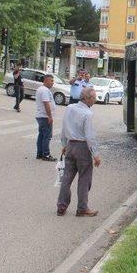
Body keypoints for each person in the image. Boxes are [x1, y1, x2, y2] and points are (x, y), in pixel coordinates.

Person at [57, 87, 102, 217]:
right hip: (82, 148)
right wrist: (96, 155)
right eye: (94, 97)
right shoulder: (88, 114)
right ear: (87, 99)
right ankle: (82, 208)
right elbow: (89, 137)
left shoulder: (70, 108)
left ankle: (61, 206)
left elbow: (64, 127)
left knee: (66, 178)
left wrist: (64, 144)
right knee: (84, 178)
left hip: (70, 145)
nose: (95, 100)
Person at [35, 74, 57, 161]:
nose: (52, 83)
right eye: (51, 81)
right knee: (47, 136)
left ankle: (39, 153)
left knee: (41, 135)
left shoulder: (42, 89)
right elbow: (46, 103)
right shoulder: (44, 90)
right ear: (46, 80)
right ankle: (46, 154)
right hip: (44, 116)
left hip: (41, 115)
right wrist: (49, 116)